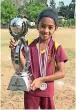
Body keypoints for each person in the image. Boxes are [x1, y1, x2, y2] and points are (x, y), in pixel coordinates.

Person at [9, 8, 68, 109]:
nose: (46, 30)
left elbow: (61, 73)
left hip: (47, 92)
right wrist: (16, 50)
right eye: (43, 26)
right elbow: (24, 67)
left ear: (56, 28)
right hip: (30, 90)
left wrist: (41, 79)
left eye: (50, 27)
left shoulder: (57, 47)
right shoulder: (29, 45)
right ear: (37, 26)